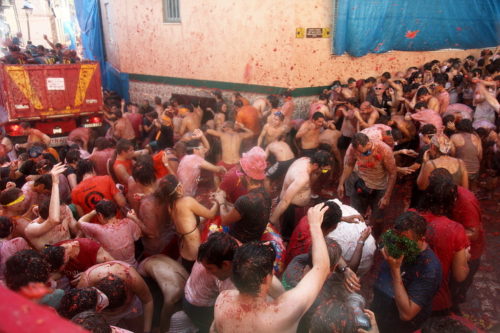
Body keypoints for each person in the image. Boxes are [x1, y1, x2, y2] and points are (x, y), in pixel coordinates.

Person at [212, 203, 330, 333]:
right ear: (267, 278)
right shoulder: (285, 311)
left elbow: (214, 329)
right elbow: (322, 267)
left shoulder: (223, 300)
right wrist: (314, 225)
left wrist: (253, 258)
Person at [371, 211, 442, 333]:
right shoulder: (397, 239)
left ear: (421, 239)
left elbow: (407, 314)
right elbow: (383, 241)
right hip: (380, 312)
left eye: (404, 242)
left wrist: (395, 271)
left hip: (400, 327)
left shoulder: (430, 269)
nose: (397, 245)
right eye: (396, 238)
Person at [416, 172, 470, 314]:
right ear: (451, 200)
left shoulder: (410, 216)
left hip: (407, 293)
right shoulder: (455, 229)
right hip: (435, 300)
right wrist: (466, 258)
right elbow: (460, 275)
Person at [154, 175, 222, 272]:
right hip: (195, 253)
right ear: (179, 188)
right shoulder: (187, 201)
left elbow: (186, 219)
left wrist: (195, 203)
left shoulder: (170, 206)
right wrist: (217, 202)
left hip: (184, 252)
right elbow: (211, 215)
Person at [337, 132, 397, 238]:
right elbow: (349, 165)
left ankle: (375, 239)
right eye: (362, 153)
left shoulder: (384, 150)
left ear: (369, 143)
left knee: (378, 219)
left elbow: (393, 173)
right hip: (362, 183)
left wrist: (386, 196)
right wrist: (341, 183)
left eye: (367, 151)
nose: (366, 154)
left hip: (380, 187)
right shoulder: (352, 149)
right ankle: (356, 237)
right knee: (355, 214)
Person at [183, 232, 239, 333]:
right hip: (197, 307)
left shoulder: (213, 249)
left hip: (190, 296)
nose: (207, 272)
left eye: (209, 268)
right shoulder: (215, 252)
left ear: (226, 265)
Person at [270, 150, 331, 240]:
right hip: (291, 209)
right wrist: (272, 221)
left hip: (296, 204)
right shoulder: (302, 177)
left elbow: (313, 177)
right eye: (324, 170)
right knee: (290, 237)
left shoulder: (305, 160)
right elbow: (285, 201)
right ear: (316, 166)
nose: (324, 172)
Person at [77, 261, 154, 333]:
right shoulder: (86, 283)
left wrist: (147, 330)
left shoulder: (132, 278)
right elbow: (78, 311)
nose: (114, 311)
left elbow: (148, 301)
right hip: (104, 315)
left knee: (138, 328)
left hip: (131, 307)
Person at [218, 147, 271, 243]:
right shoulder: (266, 194)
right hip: (255, 239)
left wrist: (221, 203)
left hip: (240, 244)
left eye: (240, 173)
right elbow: (247, 212)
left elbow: (225, 220)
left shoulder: (244, 200)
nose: (239, 175)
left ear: (247, 177)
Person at [24, 163, 77, 251]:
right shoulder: (32, 229)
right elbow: (54, 220)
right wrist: (55, 183)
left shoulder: (65, 209)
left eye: (64, 212)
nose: (64, 216)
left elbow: (75, 229)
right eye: (60, 214)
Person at [77, 200, 143, 266]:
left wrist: (93, 212)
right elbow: (138, 237)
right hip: (134, 265)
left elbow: (80, 222)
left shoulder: (99, 230)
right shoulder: (129, 222)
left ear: (100, 215)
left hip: (115, 270)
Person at [137, 254, 189, 332]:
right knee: (153, 312)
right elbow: (165, 319)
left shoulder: (187, 284)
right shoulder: (173, 296)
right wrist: (162, 330)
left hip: (158, 260)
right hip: (146, 270)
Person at [450, 119, 482, 187]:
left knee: (461, 191)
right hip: (475, 170)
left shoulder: (454, 137)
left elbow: (452, 155)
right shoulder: (476, 138)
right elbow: (480, 156)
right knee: (473, 191)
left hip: (461, 171)